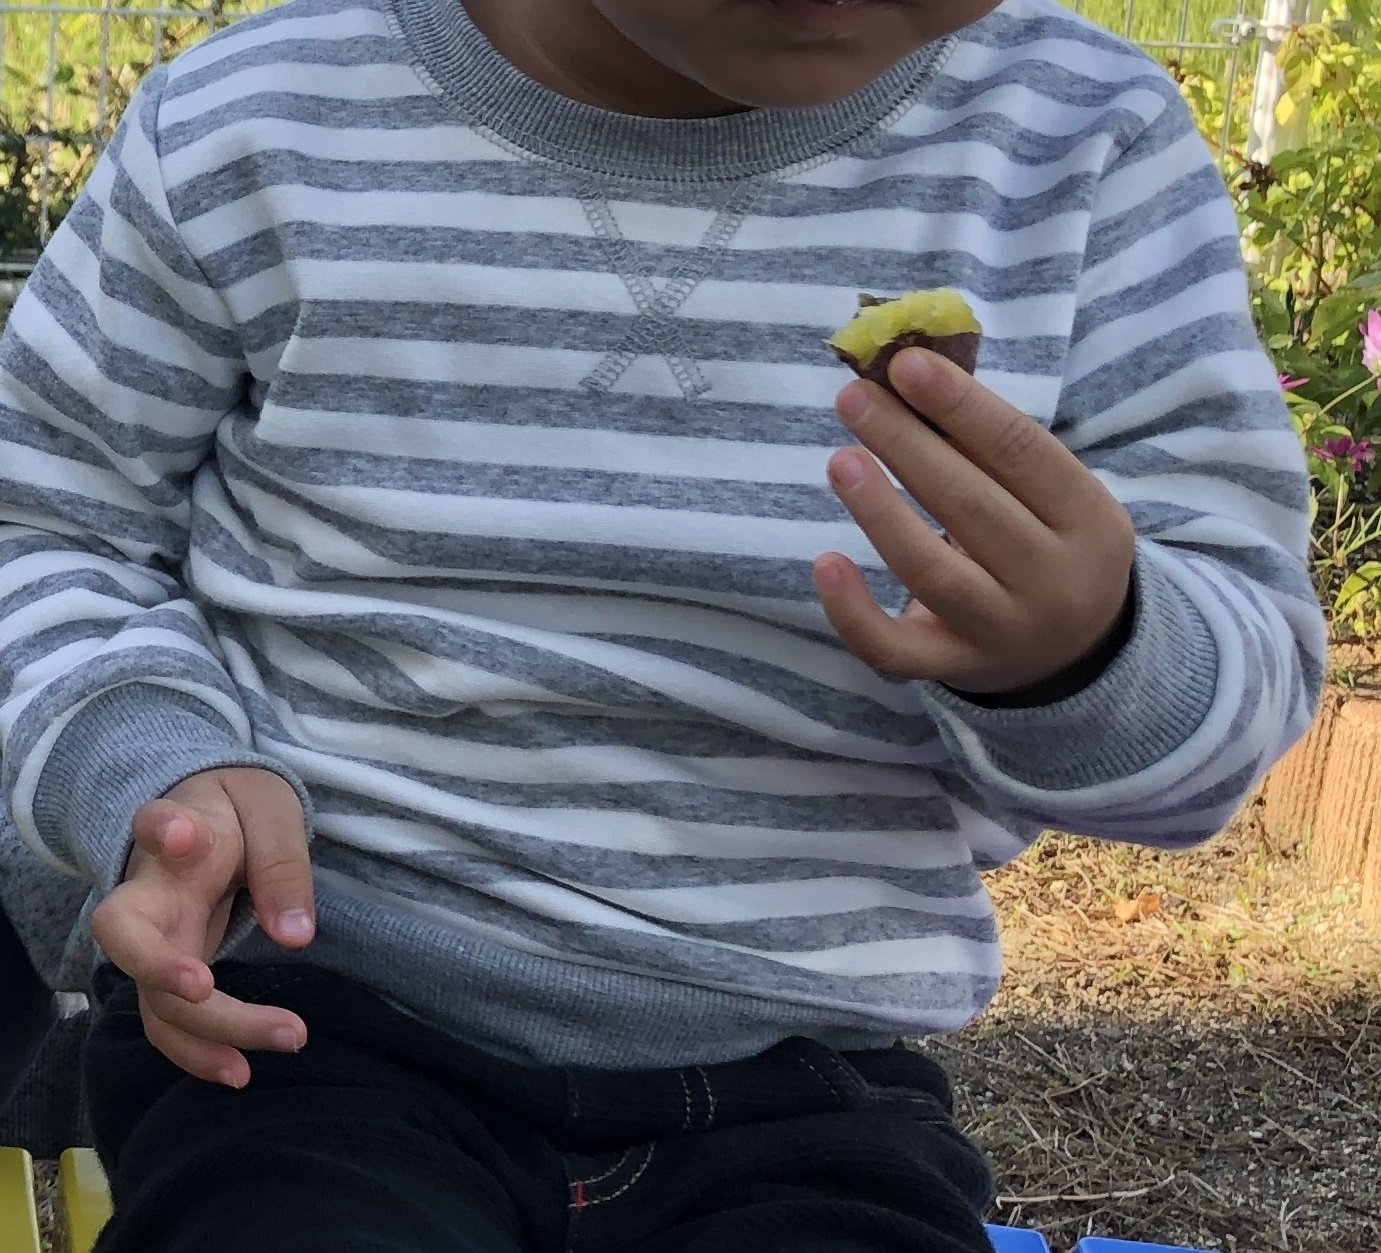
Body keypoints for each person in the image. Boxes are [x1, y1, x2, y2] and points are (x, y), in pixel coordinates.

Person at [0, 0, 1325, 1248]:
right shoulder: (255, 120)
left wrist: (1089, 652)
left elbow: (1231, 685)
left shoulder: (1081, 147)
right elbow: (49, 521)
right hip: (314, 1025)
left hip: (805, 1090)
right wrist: (151, 757)